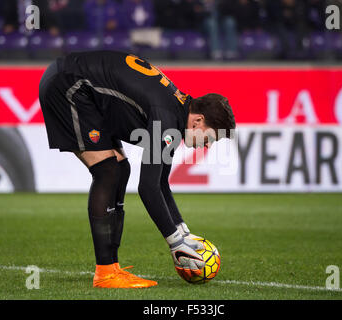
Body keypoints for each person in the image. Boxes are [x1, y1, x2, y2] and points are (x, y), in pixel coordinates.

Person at [38, 50, 236, 288]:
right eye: (210, 138)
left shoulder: (176, 112)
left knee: (120, 170)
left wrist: (183, 232)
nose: (208, 145)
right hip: (69, 85)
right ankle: (107, 273)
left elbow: (161, 182)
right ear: (198, 121)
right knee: (108, 171)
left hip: (83, 87)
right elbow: (148, 189)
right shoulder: (167, 118)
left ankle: (111, 269)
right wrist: (175, 242)